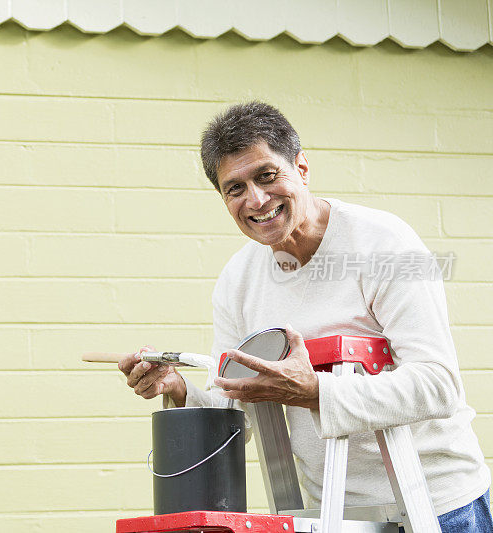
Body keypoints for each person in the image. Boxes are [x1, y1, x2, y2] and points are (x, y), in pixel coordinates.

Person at [118, 102, 492, 531]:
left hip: (439, 504)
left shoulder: (385, 244)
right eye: (234, 188)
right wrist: (180, 390)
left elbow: (438, 386)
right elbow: (231, 412)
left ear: (302, 167)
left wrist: (315, 391)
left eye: (267, 175)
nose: (256, 200)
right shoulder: (237, 282)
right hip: (333, 513)